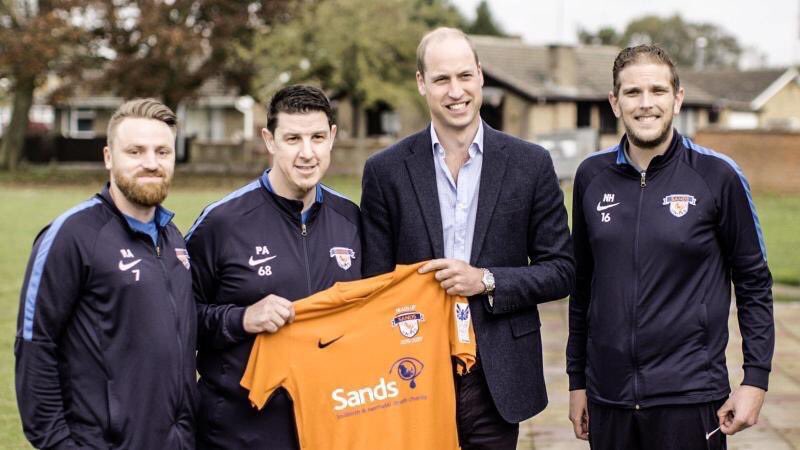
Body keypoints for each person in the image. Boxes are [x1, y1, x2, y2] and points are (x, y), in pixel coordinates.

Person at [360, 27, 574, 449]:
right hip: (413, 370)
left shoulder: (530, 164)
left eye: (464, 76)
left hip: (497, 378)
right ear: (422, 83)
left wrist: (487, 280)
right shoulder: (385, 171)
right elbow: (373, 284)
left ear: (480, 75)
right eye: (441, 79)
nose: (455, 91)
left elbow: (562, 269)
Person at [566, 44, 774, 450]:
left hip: (692, 398)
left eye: (658, 91)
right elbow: (583, 289)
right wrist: (578, 382)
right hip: (609, 399)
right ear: (614, 102)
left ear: (677, 99)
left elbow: (753, 284)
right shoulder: (591, 176)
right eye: (632, 93)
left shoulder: (718, 176)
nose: (646, 104)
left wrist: (756, 379)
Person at [185, 84, 361, 449]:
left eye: (316, 137)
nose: (307, 153)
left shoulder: (353, 220)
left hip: (331, 427)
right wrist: (242, 318)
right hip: (238, 432)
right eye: (293, 139)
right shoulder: (221, 222)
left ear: (332, 137)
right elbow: (176, 321)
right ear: (270, 140)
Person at [15, 98, 197, 449]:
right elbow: (35, 344)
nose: (151, 163)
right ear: (108, 158)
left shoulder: (173, 238)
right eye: (135, 151)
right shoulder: (72, 235)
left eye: (163, 152)